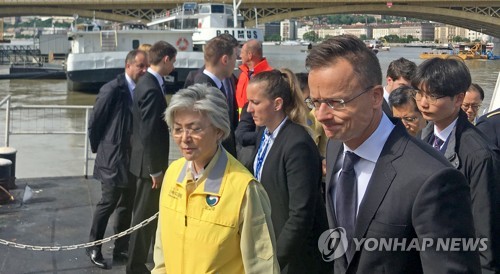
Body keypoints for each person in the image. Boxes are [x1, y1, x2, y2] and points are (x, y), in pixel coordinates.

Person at [306, 35, 480, 273]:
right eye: (316, 102)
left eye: (336, 102)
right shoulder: (337, 146)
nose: (321, 115)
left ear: (376, 96)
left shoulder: (432, 179)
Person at [151, 84, 280, 274]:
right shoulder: (172, 174)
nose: (185, 138)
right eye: (178, 129)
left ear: (219, 131)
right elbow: (162, 252)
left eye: (194, 129)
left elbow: (262, 266)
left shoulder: (244, 189)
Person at [414, 57, 500, 273]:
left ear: (458, 99)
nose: (423, 103)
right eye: (420, 94)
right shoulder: (423, 137)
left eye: (433, 96)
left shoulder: (479, 155)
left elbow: (486, 234)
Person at [246, 69, 331, 274]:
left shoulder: (297, 144)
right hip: (270, 241)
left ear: (277, 104)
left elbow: (300, 215)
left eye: (255, 103)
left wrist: (275, 261)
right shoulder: (265, 134)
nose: (248, 109)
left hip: (296, 258)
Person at [86, 49, 148, 269]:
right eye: (140, 66)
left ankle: (121, 246)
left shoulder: (140, 89)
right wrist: (101, 150)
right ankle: (94, 246)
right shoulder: (113, 89)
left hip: (132, 158)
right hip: (113, 157)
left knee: (126, 205)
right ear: (128, 65)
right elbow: (95, 121)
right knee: (108, 202)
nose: (144, 70)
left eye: (146, 66)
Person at [127, 41, 177, 274]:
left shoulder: (146, 83)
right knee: (142, 218)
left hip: (146, 163)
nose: (174, 66)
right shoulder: (150, 87)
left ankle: (141, 262)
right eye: (173, 61)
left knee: (146, 216)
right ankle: (135, 266)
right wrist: (155, 169)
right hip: (150, 167)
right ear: (166, 59)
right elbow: (148, 131)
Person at [191, 35, 239, 157]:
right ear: (225, 60)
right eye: (235, 57)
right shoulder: (204, 89)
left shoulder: (213, 84)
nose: (236, 62)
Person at [235, 39, 273, 113]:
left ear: (249, 55)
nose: (240, 55)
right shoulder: (243, 74)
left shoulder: (270, 75)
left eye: (242, 53)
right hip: (242, 120)